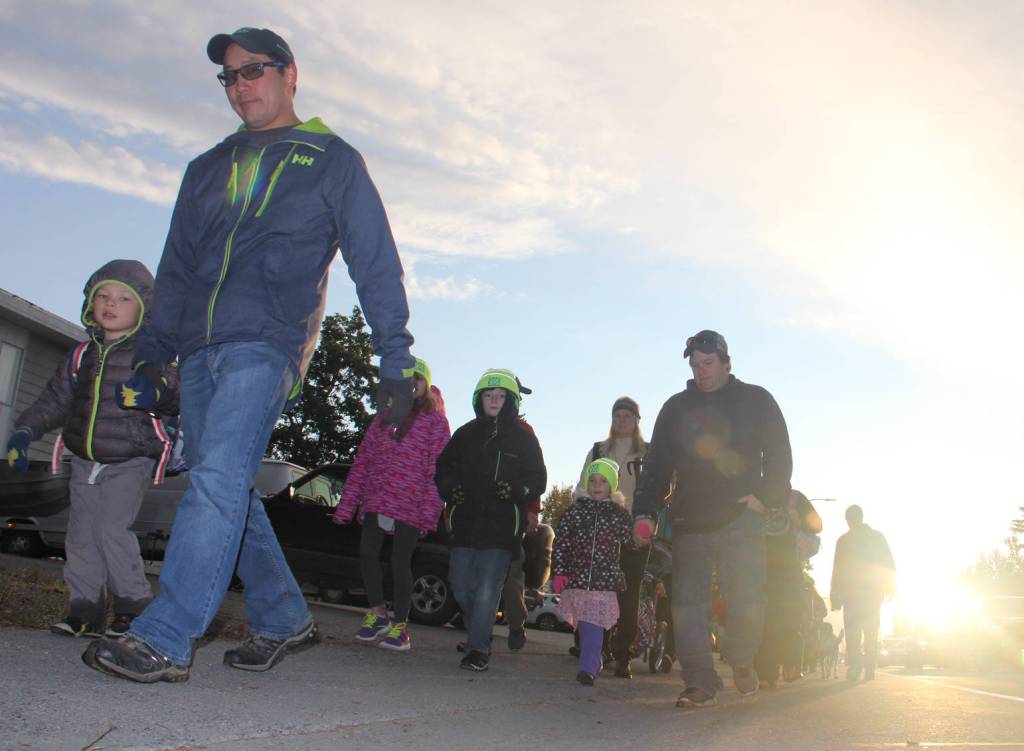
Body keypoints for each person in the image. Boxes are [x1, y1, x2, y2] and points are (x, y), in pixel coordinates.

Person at [82, 27, 416, 683]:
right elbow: (175, 269)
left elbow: (374, 263)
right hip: (198, 350)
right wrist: (152, 355)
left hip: (268, 342)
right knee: (225, 483)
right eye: (230, 77)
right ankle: (284, 614)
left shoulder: (329, 159)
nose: (240, 86)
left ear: (291, 75)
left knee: (215, 482)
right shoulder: (207, 167)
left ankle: (168, 634)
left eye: (254, 70)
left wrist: (395, 359)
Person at [5, 260, 178, 638]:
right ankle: (85, 610)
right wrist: (24, 431)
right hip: (84, 460)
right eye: (103, 295)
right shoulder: (81, 355)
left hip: (129, 459)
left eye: (123, 298)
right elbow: (54, 400)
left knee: (111, 529)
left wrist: (155, 393)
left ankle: (133, 607)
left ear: (144, 309)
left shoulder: (150, 356)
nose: (110, 304)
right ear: (90, 302)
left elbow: (176, 395)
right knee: (80, 535)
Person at [632, 329, 792, 708]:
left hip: (742, 516)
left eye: (708, 363)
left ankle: (740, 658)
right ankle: (700, 681)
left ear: (725, 362)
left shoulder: (756, 400)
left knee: (747, 600)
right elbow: (657, 466)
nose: (701, 371)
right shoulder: (676, 408)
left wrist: (765, 498)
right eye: (694, 365)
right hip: (691, 519)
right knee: (687, 606)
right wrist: (645, 511)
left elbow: (781, 457)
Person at [331, 358, 450, 652]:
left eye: (416, 381)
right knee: (367, 553)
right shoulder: (382, 419)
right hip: (377, 498)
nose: (410, 387)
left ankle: (400, 625)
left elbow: (438, 470)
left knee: (400, 561)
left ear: (425, 385)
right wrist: (347, 505)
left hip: (410, 502)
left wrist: (429, 512)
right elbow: (362, 463)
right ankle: (377, 612)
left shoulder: (435, 421)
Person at [434, 369, 547, 672]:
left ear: (511, 400)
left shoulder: (523, 437)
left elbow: (538, 478)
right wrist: (449, 488)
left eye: (500, 396)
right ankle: (478, 632)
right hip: (465, 523)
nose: (494, 400)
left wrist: (518, 491)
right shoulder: (465, 433)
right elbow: (443, 466)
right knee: (460, 587)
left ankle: (478, 650)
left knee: (487, 590)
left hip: (502, 528)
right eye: (488, 395)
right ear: (478, 399)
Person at [573, 396, 648, 678]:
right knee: (594, 591)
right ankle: (592, 647)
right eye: (617, 415)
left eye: (628, 415)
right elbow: (581, 487)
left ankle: (623, 653)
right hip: (599, 532)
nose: (622, 420)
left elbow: (662, 487)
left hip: (633, 531)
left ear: (637, 421)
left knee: (628, 593)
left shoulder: (648, 454)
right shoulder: (598, 450)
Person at [551, 458, 635, 685]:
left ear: (612, 486)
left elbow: (631, 542)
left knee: (593, 623)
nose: (597, 485)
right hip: (578, 578)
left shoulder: (618, 514)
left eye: (603, 481)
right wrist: (559, 571)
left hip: (604, 581)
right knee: (585, 626)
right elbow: (562, 543)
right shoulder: (575, 512)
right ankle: (594, 658)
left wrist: (643, 532)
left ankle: (587, 668)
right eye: (593, 480)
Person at [755, 489, 822, 687]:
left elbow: (818, 525)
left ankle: (788, 666)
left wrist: (799, 520)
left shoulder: (794, 498)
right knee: (767, 619)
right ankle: (769, 671)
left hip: (787, 569)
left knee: (788, 618)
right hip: (762, 567)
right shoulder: (756, 494)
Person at [829, 504, 895, 681]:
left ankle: (856, 668)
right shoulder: (876, 537)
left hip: (852, 594)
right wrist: (891, 586)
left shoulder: (844, 540)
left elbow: (838, 569)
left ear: (849, 520)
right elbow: (888, 563)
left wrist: (835, 595)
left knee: (853, 631)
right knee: (870, 630)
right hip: (872, 593)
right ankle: (869, 668)